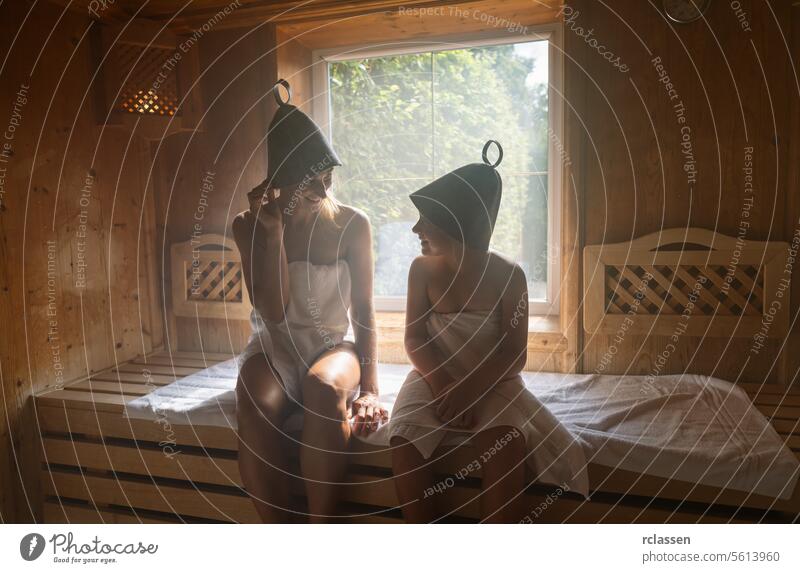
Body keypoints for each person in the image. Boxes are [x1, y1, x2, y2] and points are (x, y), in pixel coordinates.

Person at [232, 79, 387, 523]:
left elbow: (363, 308)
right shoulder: (248, 225)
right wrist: (273, 235)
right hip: (274, 345)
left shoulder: (353, 224)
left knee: (322, 388)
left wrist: (371, 387)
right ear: (283, 178)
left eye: (328, 175)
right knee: (252, 397)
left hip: (332, 346)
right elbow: (273, 311)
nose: (323, 187)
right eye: (310, 178)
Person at [389, 140, 534, 523]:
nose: (415, 228)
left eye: (426, 219)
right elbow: (415, 339)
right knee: (403, 441)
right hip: (434, 369)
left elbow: (514, 354)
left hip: (491, 377)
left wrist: (471, 387)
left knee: (506, 445)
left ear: (455, 222)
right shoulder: (421, 270)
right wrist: (442, 382)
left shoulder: (509, 276)